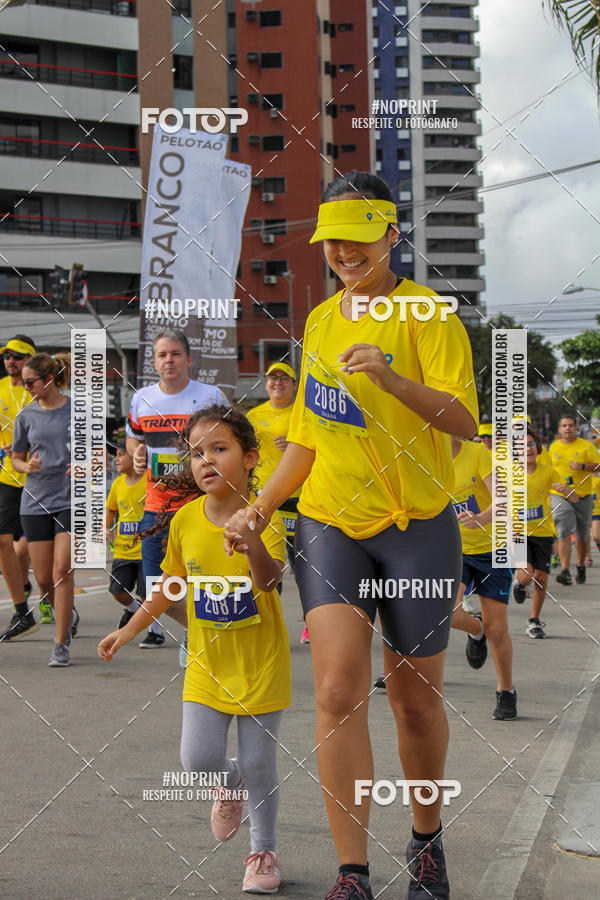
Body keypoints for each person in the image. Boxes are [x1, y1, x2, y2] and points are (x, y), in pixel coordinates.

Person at [229, 170, 479, 900]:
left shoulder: (429, 314)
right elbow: (307, 439)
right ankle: (353, 872)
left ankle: (426, 841)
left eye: (358, 238)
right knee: (337, 691)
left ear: (391, 235)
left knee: (414, 700)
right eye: (332, 240)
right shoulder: (319, 323)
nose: (343, 252)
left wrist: (394, 381)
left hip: (417, 527)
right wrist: (262, 506)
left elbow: (465, 421)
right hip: (331, 521)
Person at [99, 405, 290, 894]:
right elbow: (169, 587)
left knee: (259, 763)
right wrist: (129, 630)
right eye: (197, 453)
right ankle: (229, 783)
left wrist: (252, 544)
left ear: (250, 458)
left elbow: (271, 583)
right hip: (207, 664)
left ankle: (262, 852)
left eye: (219, 449)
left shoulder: (264, 516)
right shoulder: (184, 519)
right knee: (198, 759)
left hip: (261, 664)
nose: (206, 461)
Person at [126, 329, 227, 648]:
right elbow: (133, 439)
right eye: (162, 355)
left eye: (175, 354)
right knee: (156, 590)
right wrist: (136, 453)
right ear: (154, 362)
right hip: (157, 508)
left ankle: (202, 638)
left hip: (202, 507)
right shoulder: (142, 398)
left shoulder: (211, 396)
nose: (168, 360)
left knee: (203, 583)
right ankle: (198, 630)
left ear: (188, 359)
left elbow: (232, 440)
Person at [7, 352, 78, 666]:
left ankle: (61, 644)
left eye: (30, 382)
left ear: (49, 380)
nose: (26, 388)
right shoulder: (26, 415)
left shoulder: (78, 410)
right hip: (35, 502)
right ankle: (67, 612)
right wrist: (27, 466)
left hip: (70, 500)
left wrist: (87, 465)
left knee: (62, 570)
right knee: (45, 579)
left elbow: (98, 454)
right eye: (23, 383)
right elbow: (16, 459)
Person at [448, 437, 517, 720]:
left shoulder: (478, 454)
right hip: (455, 551)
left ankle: (506, 691)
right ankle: (476, 629)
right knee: (447, 613)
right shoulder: (427, 458)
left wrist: (481, 519)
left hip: (492, 550)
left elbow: (503, 500)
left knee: (497, 629)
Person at [247, 362, 307, 642]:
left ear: (295, 385)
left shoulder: (303, 413)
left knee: (303, 565)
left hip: (300, 498)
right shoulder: (254, 416)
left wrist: (294, 445)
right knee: (269, 561)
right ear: (266, 383)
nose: (278, 382)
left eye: (285, 378)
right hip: (266, 500)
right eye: (273, 378)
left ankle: (311, 621)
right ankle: (270, 622)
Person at [512, 430, 575, 639]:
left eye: (531, 444)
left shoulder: (548, 472)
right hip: (518, 532)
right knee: (526, 576)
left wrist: (565, 490)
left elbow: (574, 498)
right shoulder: (508, 473)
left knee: (541, 578)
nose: (527, 449)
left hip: (543, 532)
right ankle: (519, 583)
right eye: (522, 446)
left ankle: (534, 621)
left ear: (538, 448)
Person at [0, 335, 39, 637]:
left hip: (41, 479)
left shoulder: (40, 390)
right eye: (7, 356)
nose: (10, 361)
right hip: (7, 477)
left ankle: (62, 605)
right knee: (3, 542)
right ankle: (21, 611)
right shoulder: (0, 388)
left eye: (17, 356)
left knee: (30, 547)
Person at [549, 414, 600, 585]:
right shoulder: (553, 447)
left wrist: (583, 466)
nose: (568, 428)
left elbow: (598, 465)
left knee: (582, 535)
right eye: (564, 425)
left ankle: (580, 566)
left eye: (571, 425)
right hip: (560, 496)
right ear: (559, 429)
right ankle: (565, 570)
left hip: (583, 497)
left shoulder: (586, 446)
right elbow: (547, 470)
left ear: (576, 428)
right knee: (563, 529)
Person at [105, 442, 146, 629]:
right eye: (117, 455)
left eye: (122, 454)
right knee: (117, 590)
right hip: (123, 550)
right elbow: (110, 509)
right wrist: (105, 528)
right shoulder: (117, 484)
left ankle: (155, 632)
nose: (117, 459)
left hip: (145, 550)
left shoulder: (149, 482)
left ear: (134, 456)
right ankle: (133, 608)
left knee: (148, 594)